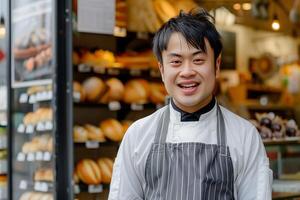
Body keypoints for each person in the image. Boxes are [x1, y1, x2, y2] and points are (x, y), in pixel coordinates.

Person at [109, 8, 272, 200]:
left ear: (217, 65)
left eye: (198, 60)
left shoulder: (245, 136)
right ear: (162, 70)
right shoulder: (138, 135)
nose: (187, 71)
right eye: (176, 62)